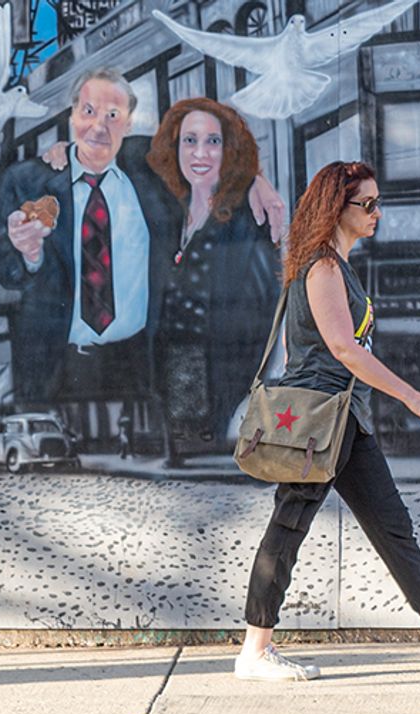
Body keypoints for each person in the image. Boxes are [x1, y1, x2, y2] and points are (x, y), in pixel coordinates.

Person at [236, 161, 420, 680]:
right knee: (287, 528)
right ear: (336, 208)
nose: (377, 213)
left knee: (392, 527)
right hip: (315, 426)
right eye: (368, 204)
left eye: (377, 203)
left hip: (344, 421)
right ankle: (253, 651)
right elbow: (342, 348)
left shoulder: (338, 266)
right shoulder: (320, 267)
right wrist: (411, 396)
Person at [0, 68, 284, 407]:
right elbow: (0, 266)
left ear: (129, 124)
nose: (99, 125)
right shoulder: (27, 180)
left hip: (141, 363)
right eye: (88, 111)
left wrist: (254, 179)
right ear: (72, 115)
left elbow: (208, 158)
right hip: (56, 365)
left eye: (113, 115)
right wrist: (29, 254)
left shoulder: (147, 166)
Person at [145, 98, 279, 465]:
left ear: (230, 149)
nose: (200, 153)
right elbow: (118, 151)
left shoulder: (246, 214)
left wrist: (256, 179)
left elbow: (263, 300)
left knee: (204, 448)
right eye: (189, 140)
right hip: (175, 363)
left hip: (220, 366)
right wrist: (65, 148)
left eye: (213, 142)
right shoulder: (171, 207)